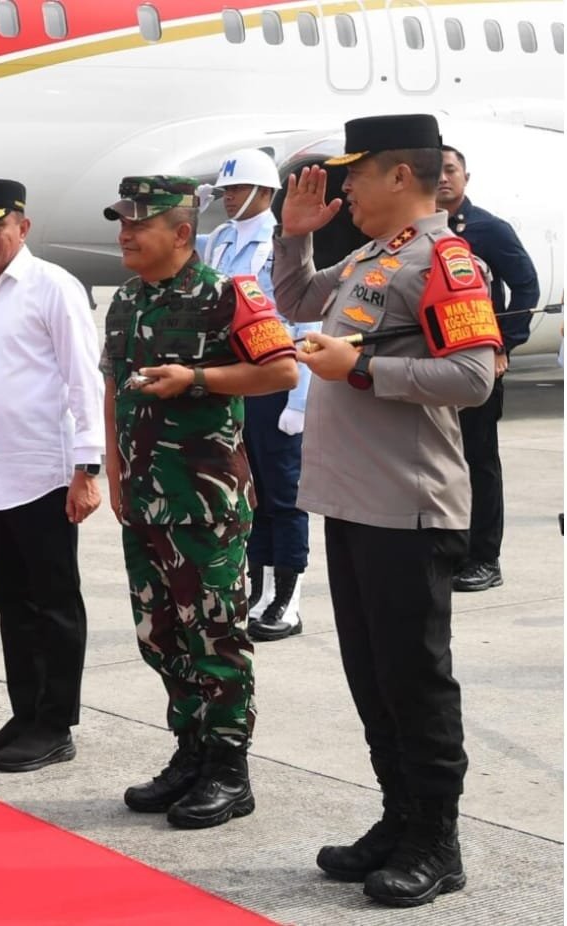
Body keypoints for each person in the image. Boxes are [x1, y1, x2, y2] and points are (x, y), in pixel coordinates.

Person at [273, 114, 499, 906]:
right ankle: (398, 818)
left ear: (399, 176)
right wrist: (294, 236)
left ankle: (437, 840)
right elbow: (297, 296)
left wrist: (362, 365)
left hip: (410, 506)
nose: (346, 191)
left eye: (355, 175)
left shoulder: (446, 259)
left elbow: (473, 377)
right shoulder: (373, 255)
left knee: (415, 679)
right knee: (371, 676)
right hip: (354, 502)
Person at [102, 176, 298, 829]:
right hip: (146, 500)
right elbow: (114, 389)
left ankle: (228, 769)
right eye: (122, 223)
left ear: (181, 231)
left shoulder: (226, 295)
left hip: (206, 499)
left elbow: (281, 370)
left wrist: (199, 379)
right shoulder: (127, 300)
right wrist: (115, 466)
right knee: (161, 635)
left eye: (139, 223)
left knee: (215, 635)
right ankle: (190, 753)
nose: (126, 234)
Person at [0, 178, 104, 773]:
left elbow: (83, 381)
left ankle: (55, 721)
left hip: (44, 474)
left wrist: (87, 468)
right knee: (9, 600)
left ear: (23, 227)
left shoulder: (52, 288)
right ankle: (25, 710)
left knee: (53, 601)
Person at [198, 149, 320, 640]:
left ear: (264, 193)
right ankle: (260, 588)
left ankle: (288, 598)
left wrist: (299, 402)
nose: (226, 199)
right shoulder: (222, 240)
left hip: (274, 378)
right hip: (235, 377)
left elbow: (305, 322)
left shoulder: (278, 246)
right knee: (249, 493)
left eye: (235, 190)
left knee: (283, 493)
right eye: (224, 191)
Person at [437, 145, 540, 592]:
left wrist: (503, 347)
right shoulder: (415, 232)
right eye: (435, 171)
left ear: (466, 176)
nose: (443, 178)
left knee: (478, 461)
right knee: (439, 464)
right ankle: (450, 553)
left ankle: (484, 558)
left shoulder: (487, 229)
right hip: (431, 368)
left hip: (478, 363)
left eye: (451, 170)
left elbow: (526, 289)